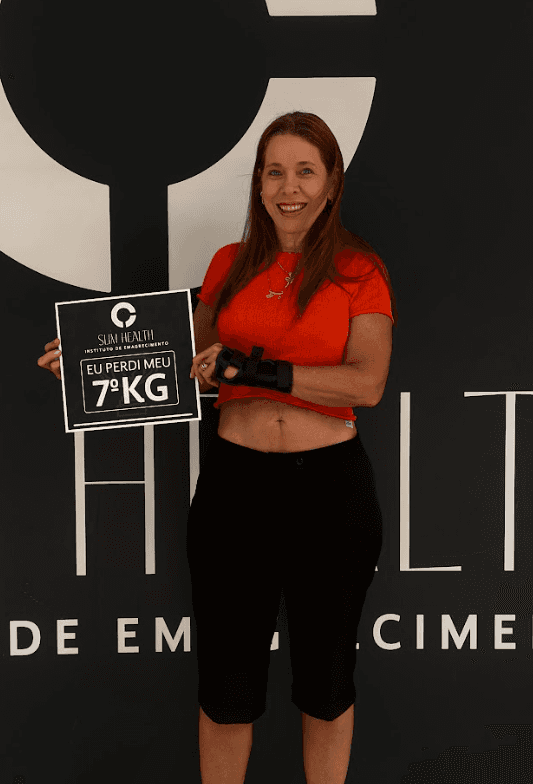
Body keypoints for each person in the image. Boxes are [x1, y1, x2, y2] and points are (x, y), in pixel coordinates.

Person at [38, 111, 397, 784]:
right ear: (258, 184)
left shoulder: (358, 269)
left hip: (329, 491)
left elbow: (367, 381)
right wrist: (89, 361)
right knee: (227, 684)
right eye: (273, 171)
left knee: (326, 677)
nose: (287, 186)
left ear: (330, 183)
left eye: (303, 170)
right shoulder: (230, 265)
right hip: (235, 489)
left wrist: (260, 372)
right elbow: (187, 357)